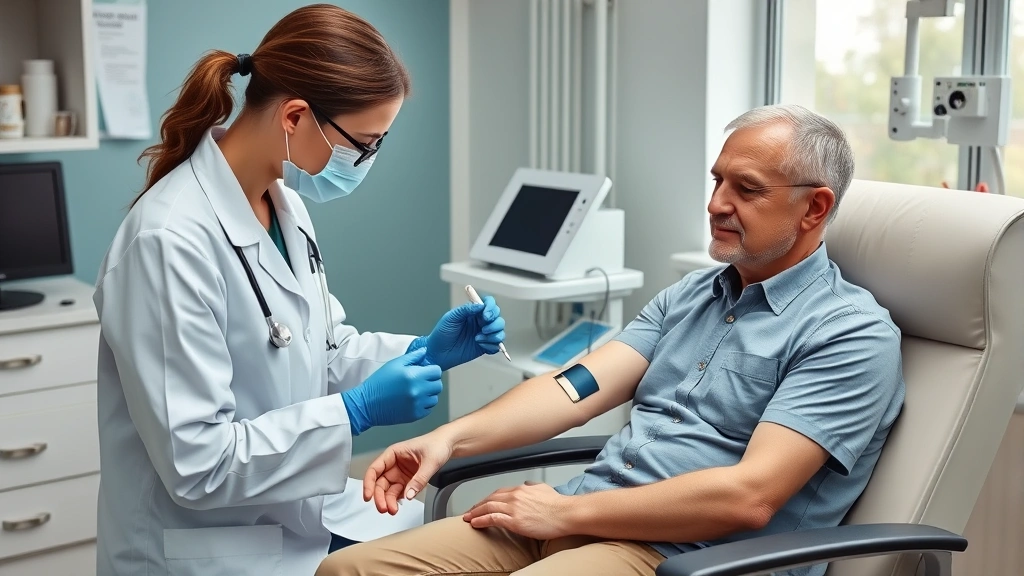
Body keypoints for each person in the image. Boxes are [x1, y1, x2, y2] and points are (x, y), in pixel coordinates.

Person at [316, 104, 906, 576]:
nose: (716, 204)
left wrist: (564, 510)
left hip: (687, 556)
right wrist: (447, 439)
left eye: (746, 190)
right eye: (717, 181)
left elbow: (749, 497)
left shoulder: (848, 335)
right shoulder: (693, 296)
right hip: (582, 514)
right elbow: (574, 389)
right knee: (350, 569)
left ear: (814, 208)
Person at [91, 5, 506, 575]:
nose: (365, 161)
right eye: (364, 143)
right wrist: (355, 414)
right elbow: (197, 463)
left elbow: (318, 349)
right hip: (201, 547)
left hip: (288, 516)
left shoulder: (285, 207)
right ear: (295, 117)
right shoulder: (168, 242)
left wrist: (422, 352)